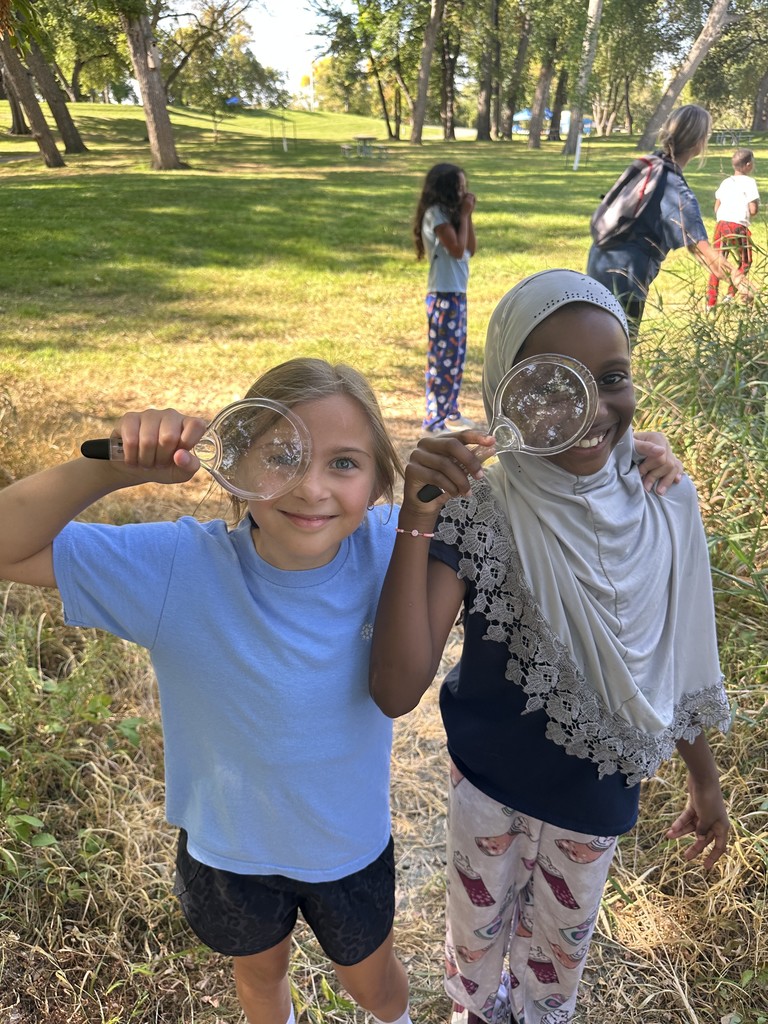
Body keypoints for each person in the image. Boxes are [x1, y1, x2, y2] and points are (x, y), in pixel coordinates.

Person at [0, 358, 416, 1024]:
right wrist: (113, 468)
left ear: (377, 485)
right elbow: (7, 544)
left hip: (350, 849)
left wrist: (637, 459)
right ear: (233, 466)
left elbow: (520, 512)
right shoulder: (176, 569)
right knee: (259, 978)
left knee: (378, 990)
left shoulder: (395, 546)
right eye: (280, 456)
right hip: (230, 855)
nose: (310, 488)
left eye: (343, 464)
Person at [369, 270, 731, 1024]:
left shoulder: (664, 499)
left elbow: (681, 654)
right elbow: (397, 688)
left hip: (593, 804)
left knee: (553, 977)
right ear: (505, 393)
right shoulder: (479, 511)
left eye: (612, 379)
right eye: (551, 386)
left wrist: (705, 781)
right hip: (487, 791)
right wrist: (419, 516)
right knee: (475, 967)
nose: (592, 410)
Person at [587, 104, 754, 337]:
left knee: (593, 340)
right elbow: (704, 252)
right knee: (615, 350)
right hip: (624, 275)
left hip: (599, 258)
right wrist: (740, 281)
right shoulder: (675, 189)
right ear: (699, 144)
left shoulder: (651, 162)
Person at [414, 162, 477, 433]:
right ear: (445, 190)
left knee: (456, 356)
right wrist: (463, 215)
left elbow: (470, 249)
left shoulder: (452, 215)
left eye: (465, 186)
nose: (464, 192)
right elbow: (456, 248)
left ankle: (450, 411)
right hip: (443, 296)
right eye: (459, 187)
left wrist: (467, 216)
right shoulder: (436, 214)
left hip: (456, 295)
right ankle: (433, 420)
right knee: (442, 358)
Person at [706, 147, 760, 309]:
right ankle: (731, 293)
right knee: (745, 261)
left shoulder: (726, 182)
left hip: (721, 225)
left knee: (718, 262)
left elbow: (716, 208)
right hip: (737, 226)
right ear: (748, 165)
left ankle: (711, 303)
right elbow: (753, 210)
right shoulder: (750, 183)